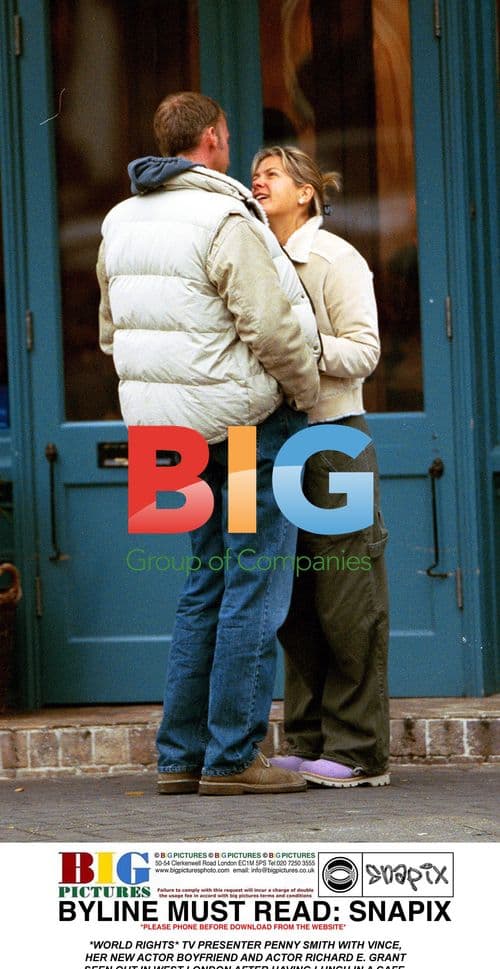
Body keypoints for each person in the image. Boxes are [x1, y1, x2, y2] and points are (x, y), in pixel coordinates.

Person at [97, 94, 320, 795]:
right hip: (242, 433)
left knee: (205, 582)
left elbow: (110, 332)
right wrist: (306, 390)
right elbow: (272, 328)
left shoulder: (120, 220)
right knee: (252, 583)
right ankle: (231, 759)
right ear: (216, 138)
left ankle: (180, 757)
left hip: (167, 437)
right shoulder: (223, 216)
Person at [251, 145, 390, 788]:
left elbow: (365, 352)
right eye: (254, 173)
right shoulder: (252, 256)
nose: (258, 181)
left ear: (307, 192)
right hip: (262, 440)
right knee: (292, 600)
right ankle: (308, 740)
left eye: (272, 173)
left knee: (346, 596)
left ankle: (359, 750)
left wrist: (297, 348)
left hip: (331, 437)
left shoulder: (336, 258)